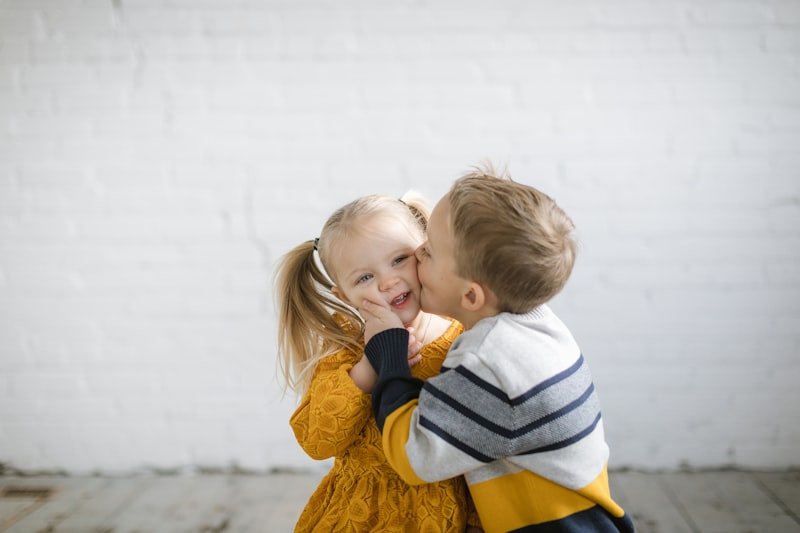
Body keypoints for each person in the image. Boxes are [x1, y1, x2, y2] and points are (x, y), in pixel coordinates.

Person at [360, 166, 635, 533]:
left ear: (471, 296)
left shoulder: (488, 361)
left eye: (430, 251)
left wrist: (389, 353)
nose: (416, 253)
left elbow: (415, 455)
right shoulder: (539, 325)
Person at [274, 192, 482, 532]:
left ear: (426, 251)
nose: (388, 282)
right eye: (364, 278)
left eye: (399, 259)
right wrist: (370, 366)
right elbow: (317, 440)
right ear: (344, 296)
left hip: (448, 510)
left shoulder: (463, 334)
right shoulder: (345, 345)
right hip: (365, 513)